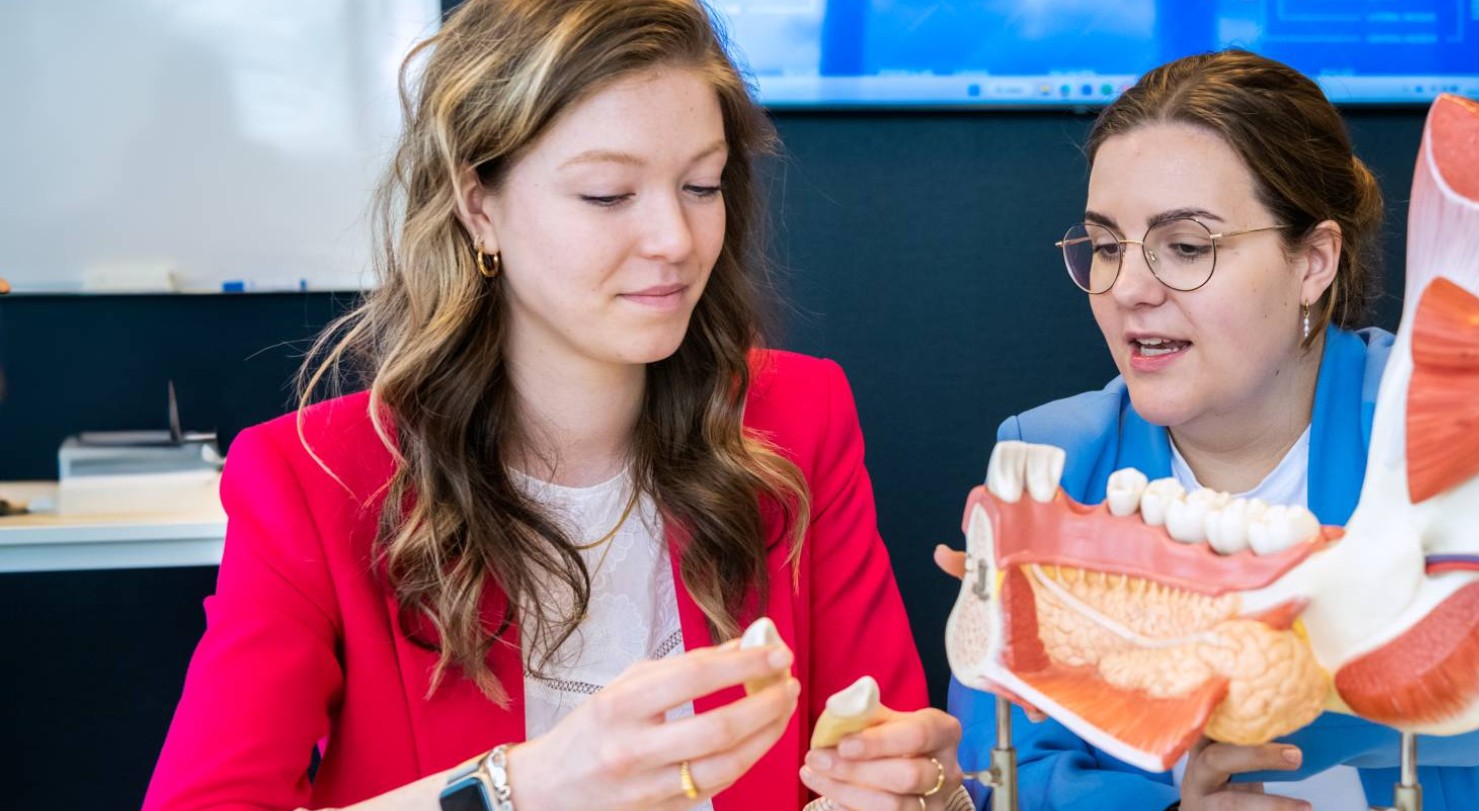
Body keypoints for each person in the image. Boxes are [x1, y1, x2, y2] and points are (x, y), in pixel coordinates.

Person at [143, 1, 965, 809]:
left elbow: (890, 755)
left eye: (702, 184)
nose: (675, 239)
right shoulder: (314, 478)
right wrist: (524, 787)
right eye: (608, 194)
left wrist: (919, 789)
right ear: (478, 206)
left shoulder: (797, 420)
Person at [944, 50, 1479, 810]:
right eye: (1106, 247)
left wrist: (1260, 694)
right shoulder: (1049, 457)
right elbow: (1002, 769)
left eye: (1187, 247)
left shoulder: (1450, 411)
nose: (1129, 288)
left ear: (1314, 261)